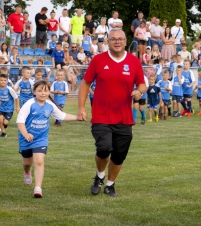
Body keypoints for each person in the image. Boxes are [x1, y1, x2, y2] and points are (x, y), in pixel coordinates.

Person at [77, 29, 146, 197]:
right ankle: (99, 176)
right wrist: (81, 107)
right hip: (102, 116)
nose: (117, 42)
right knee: (104, 148)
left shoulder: (134, 61)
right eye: (113, 39)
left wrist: (139, 91)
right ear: (107, 41)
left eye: (120, 39)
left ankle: (110, 184)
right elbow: (85, 84)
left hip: (124, 117)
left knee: (119, 155)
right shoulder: (98, 60)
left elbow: (142, 84)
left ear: (125, 41)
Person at [17, 80, 79, 198]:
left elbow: (61, 116)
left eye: (45, 91)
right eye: (40, 91)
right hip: (26, 138)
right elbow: (20, 121)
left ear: (49, 92)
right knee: (27, 162)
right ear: (34, 92)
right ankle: (27, 172)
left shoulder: (50, 105)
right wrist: (26, 134)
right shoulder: (29, 104)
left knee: (39, 161)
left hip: (41, 139)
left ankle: (38, 188)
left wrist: (77, 118)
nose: (43, 93)